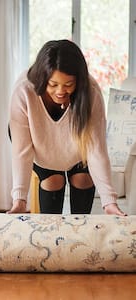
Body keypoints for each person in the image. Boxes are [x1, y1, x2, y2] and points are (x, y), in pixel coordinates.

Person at [8, 39, 126, 216]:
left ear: (79, 80)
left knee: (83, 179)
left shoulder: (91, 92)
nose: (60, 91)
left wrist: (109, 202)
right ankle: (50, 238)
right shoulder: (24, 91)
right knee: (53, 181)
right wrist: (19, 199)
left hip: (76, 146)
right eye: (53, 84)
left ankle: (81, 236)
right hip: (40, 144)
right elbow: (22, 151)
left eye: (68, 85)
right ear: (42, 78)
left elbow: (96, 149)